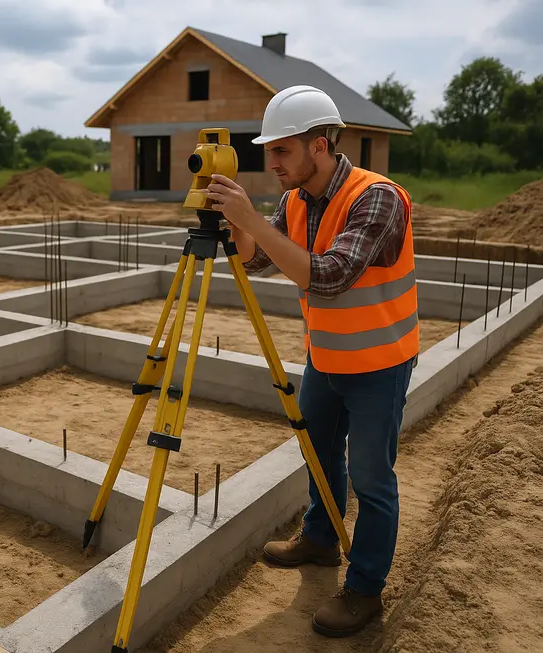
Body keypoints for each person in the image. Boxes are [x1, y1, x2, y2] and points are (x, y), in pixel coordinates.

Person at [203, 85, 417, 638]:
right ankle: (321, 539)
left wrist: (254, 221)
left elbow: (327, 276)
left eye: (281, 151)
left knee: (371, 477)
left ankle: (365, 588)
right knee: (318, 454)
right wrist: (235, 223)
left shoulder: (379, 197)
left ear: (319, 145)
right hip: (327, 357)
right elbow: (259, 263)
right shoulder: (296, 199)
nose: (269, 163)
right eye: (268, 151)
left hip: (380, 362)